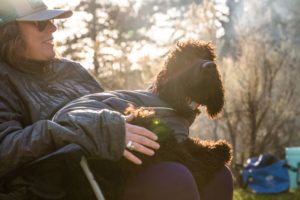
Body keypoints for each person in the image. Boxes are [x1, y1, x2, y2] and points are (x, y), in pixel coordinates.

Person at [0, 0, 202, 199]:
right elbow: (6, 150)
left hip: (109, 168)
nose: (53, 28)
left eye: (53, 21)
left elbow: (109, 112)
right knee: (175, 179)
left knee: (216, 175)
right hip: (59, 186)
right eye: (41, 23)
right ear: (10, 32)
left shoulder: (70, 69)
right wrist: (90, 129)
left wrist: (171, 96)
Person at [52, 40, 233, 200]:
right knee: (178, 173)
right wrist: (114, 128)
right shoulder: (152, 105)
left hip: (139, 169)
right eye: (188, 62)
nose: (206, 65)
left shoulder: (181, 112)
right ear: (169, 77)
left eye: (206, 60)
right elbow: (64, 118)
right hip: (100, 174)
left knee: (220, 175)